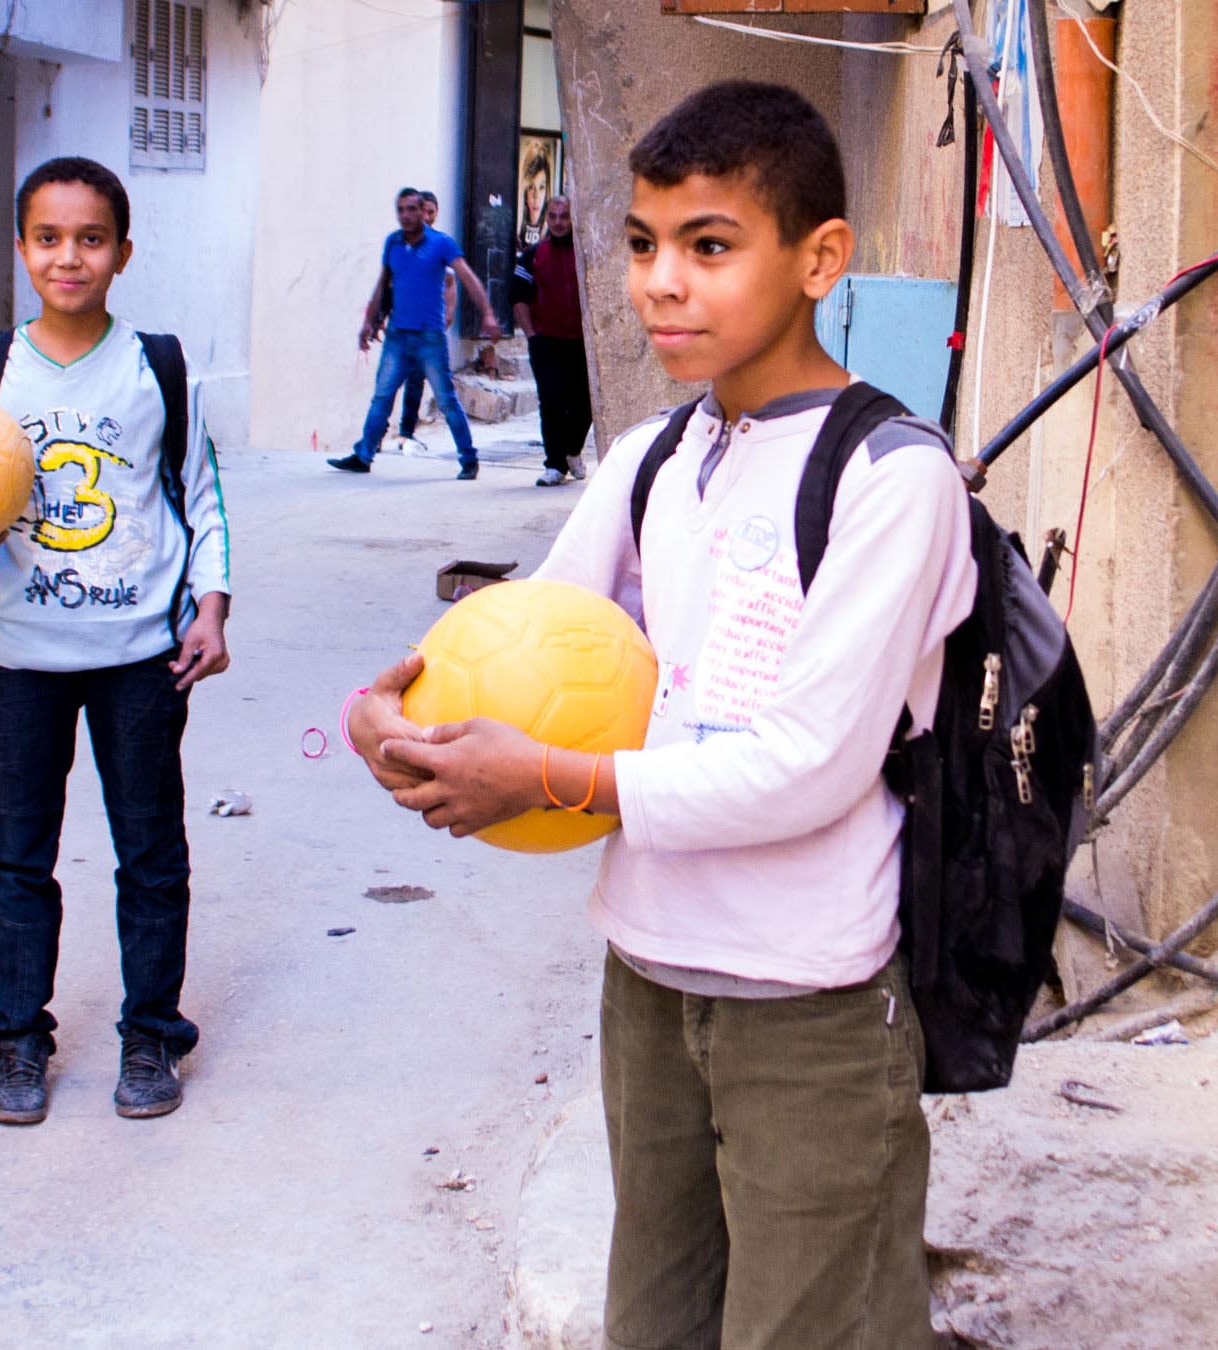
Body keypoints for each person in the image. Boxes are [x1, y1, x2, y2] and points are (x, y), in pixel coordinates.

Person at [347, 82, 974, 1348]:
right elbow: (525, 625)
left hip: (809, 1004)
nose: (659, 284)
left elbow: (805, 771)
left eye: (708, 246)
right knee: (655, 1323)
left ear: (819, 260)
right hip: (645, 981)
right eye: (640, 244)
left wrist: (553, 779)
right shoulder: (651, 458)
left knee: (811, 1328)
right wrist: (392, 703)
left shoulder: (892, 479)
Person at [0, 156, 232, 1127]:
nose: (68, 256)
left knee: (150, 853)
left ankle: (149, 1036)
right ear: (20, 249)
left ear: (122, 253)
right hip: (21, 657)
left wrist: (209, 606)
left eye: (90, 238)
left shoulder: (160, 367)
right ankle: (13, 1039)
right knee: (15, 856)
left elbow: (199, 496)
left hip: (139, 656)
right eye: (48, 238)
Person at [330, 188, 501, 480]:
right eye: (401, 210)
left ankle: (469, 458)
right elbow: (383, 284)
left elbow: (466, 277)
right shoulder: (393, 243)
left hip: (428, 338)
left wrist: (486, 312)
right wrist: (370, 321)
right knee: (382, 397)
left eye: (412, 209)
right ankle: (363, 454)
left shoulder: (440, 244)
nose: (406, 215)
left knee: (446, 399)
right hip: (398, 336)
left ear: (424, 212)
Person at [511, 194, 591, 486]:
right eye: (553, 216)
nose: (558, 222)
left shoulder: (587, 255)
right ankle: (554, 464)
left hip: (583, 345)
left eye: (564, 216)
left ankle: (572, 451)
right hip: (547, 341)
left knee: (585, 404)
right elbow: (518, 297)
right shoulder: (533, 255)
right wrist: (532, 336)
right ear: (546, 218)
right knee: (552, 401)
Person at [382, 190, 457, 448]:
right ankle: (378, 434)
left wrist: (449, 311)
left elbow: (451, 282)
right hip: (402, 326)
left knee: (418, 382)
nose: (426, 216)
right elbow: (389, 283)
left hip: (428, 328)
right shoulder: (400, 244)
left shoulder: (439, 245)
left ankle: (406, 430)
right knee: (389, 384)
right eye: (421, 211)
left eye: (430, 212)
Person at [517, 149, 552, 247]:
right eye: (531, 187)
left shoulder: (553, 228)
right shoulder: (515, 224)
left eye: (541, 187)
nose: (536, 196)